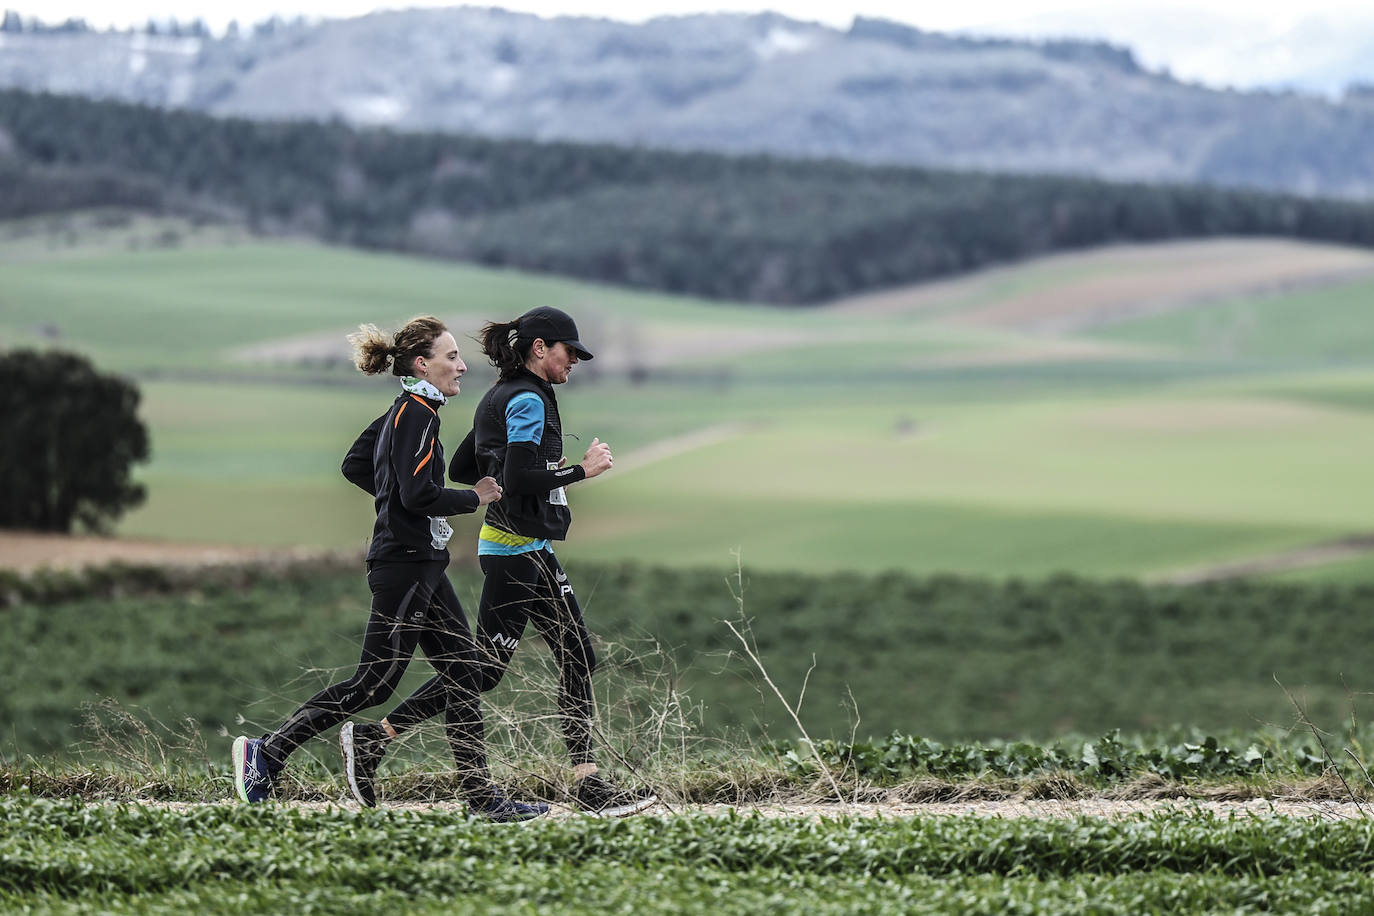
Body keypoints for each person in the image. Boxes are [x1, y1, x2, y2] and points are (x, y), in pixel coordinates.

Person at [340, 306, 657, 816]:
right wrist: (580, 470)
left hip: (528, 546)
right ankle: (377, 739)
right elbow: (519, 476)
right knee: (483, 670)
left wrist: (517, 468)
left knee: (572, 656)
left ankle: (587, 780)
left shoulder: (500, 396)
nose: (574, 360)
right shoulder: (528, 398)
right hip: (513, 550)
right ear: (539, 348)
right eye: (568, 351)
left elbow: (469, 464)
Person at [231, 315, 548, 822]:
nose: (462, 365)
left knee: (464, 674)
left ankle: (482, 800)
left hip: (421, 562)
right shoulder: (417, 414)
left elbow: (357, 465)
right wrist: (474, 496)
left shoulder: (407, 410)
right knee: (375, 683)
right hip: (405, 564)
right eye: (451, 357)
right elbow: (418, 492)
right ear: (423, 364)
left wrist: (394, 506)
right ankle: (266, 754)